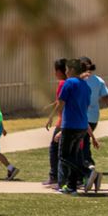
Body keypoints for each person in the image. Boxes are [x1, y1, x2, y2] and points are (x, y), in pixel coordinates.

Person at [47, 57, 100, 195]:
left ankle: (88, 172)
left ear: (71, 70)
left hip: (71, 125)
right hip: (82, 125)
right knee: (74, 156)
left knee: (64, 156)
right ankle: (71, 187)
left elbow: (61, 102)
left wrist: (52, 119)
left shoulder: (69, 83)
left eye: (66, 69)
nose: (65, 72)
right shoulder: (85, 86)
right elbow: (86, 105)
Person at [79, 56, 108, 173]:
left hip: (81, 116)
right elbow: (106, 98)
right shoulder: (99, 81)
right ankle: (86, 165)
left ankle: (88, 165)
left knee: (82, 142)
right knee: (84, 140)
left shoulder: (78, 81)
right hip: (93, 117)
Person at [43, 58, 68, 187]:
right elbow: (60, 101)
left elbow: (61, 103)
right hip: (66, 120)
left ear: (59, 71)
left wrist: (51, 116)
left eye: (55, 71)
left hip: (63, 121)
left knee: (54, 148)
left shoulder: (62, 83)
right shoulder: (69, 82)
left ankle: (54, 175)